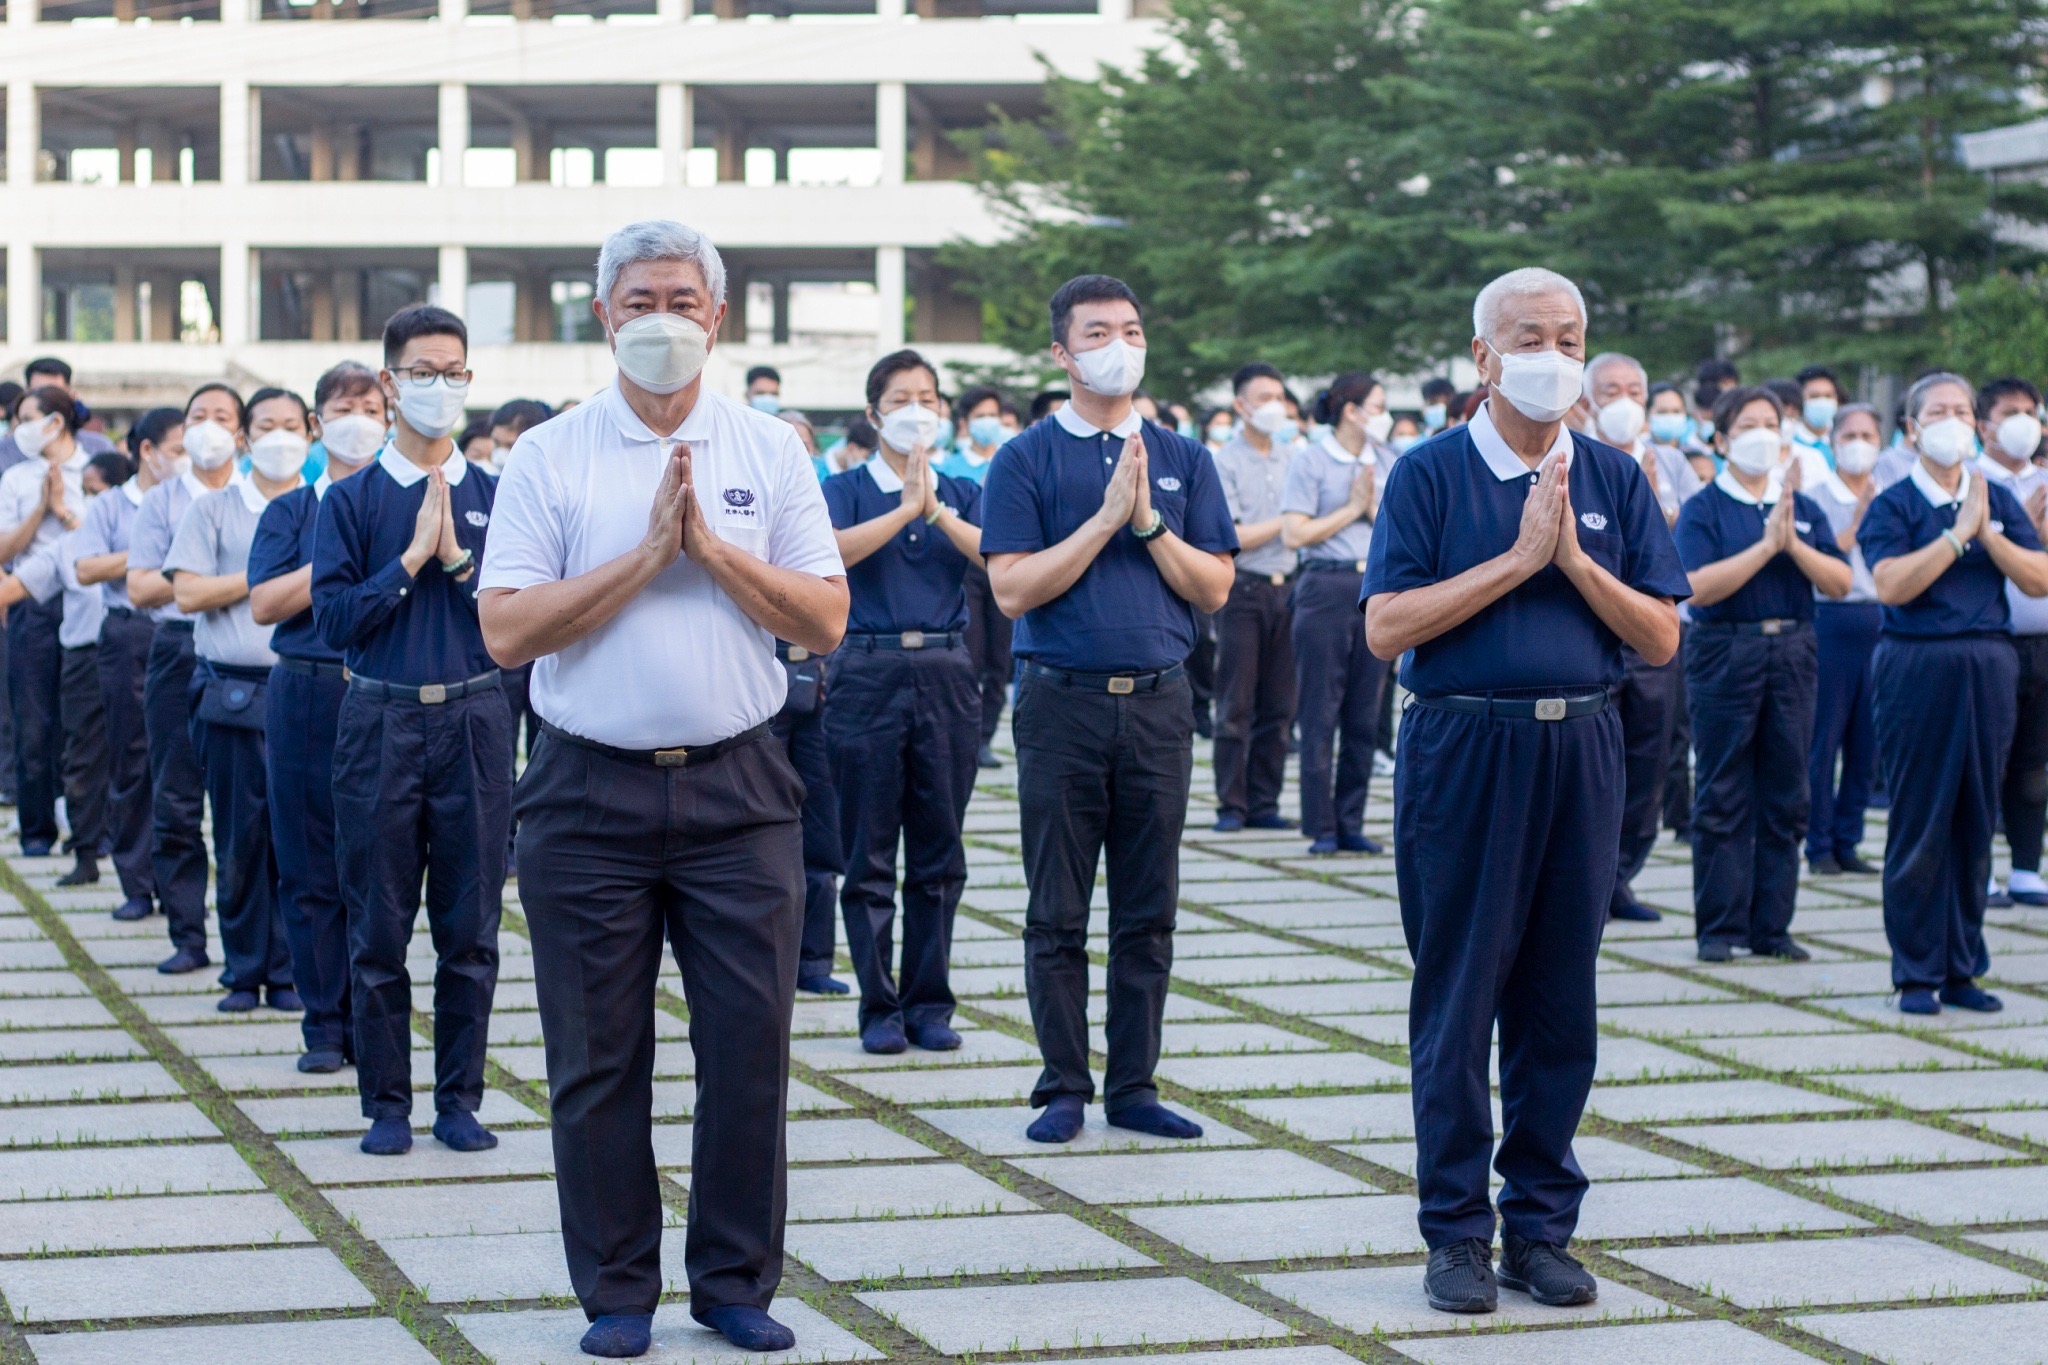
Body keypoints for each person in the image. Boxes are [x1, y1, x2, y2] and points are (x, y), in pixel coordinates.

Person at [478, 220, 847, 1359]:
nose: (663, 320)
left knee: (749, 1045)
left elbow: (824, 617)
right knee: (597, 1056)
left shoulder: (769, 449)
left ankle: (734, 1282)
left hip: (740, 791)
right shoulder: (550, 454)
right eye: (640, 299)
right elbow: (504, 630)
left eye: (684, 301)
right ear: (602, 313)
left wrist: (710, 553)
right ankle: (618, 1293)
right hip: (587, 798)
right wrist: (641, 560)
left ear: (717, 316)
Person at [1362, 267, 1689, 1315]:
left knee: (1559, 1002)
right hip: (1465, 747)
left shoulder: (1613, 475)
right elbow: (1385, 627)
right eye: (1529, 337)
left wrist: (1574, 565)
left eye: (1569, 335)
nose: (1552, 355)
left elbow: (1660, 635)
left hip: (1582, 747)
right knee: (1457, 999)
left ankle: (1539, 1226)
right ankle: (1454, 1232)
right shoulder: (1428, 474)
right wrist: (1512, 562)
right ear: (1483, 356)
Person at [981, 273, 1236, 1147]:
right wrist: (1100, 523)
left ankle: (1134, 1083)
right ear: (1062, 352)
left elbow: (1216, 584)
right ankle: (1063, 1084)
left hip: (1160, 704)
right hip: (1062, 706)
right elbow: (1011, 589)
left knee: (1148, 907)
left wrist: (1152, 526)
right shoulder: (1023, 458)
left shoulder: (1184, 456)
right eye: (1097, 332)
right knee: (1057, 905)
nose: (1117, 343)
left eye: (1130, 327)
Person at [312, 305, 509, 1159]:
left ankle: (459, 1098)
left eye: (454, 371)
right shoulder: (351, 498)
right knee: (379, 925)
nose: (440, 387)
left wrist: (458, 562)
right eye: (422, 372)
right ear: (389, 384)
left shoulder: (497, 495)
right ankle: (385, 1102)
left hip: (475, 716)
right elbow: (332, 621)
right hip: (380, 718)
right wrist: (406, 565)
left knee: (471, 928)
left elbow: (519, 619)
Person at [1861, 371, 2048, 1016]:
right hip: (1918, 664)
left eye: (1963, 412)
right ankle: (1915, 971)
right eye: (1936, 411)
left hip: (1990, 663)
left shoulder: (1994, 495)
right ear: (1911, 430)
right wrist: (1954, 537)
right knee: (1921, 816)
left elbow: (2039, 578)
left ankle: (1963, 966)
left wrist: (1986, 530)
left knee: (1976, 814)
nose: (1952, 421)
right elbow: (1891, 585)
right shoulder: (1893, 503)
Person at [823, 349, 984, 1055]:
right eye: (899, 398)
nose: (915, 409)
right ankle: (877, 1003)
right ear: (872, 413)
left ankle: (930, 1001)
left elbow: (997, 558)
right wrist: (903, 511)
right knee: (868, 849)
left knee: (941, 847)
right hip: (866, 670)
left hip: (947, 669)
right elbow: (828, 555)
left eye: (928, 397)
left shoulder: (965, 490)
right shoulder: (845, 488)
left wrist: (935, 509)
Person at [1675, 387, 1851, 962]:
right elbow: (1695, 586)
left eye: (1771, 423)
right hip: (1725, 650)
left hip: (1794, 650)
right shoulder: (1705, 507)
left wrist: (1792, 545)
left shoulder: (1801, 505)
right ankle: (1720, 927)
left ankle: (1772, 927)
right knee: (1723, 789)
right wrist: (1765, 548)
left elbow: (1840, 582)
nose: (1762, 434)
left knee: (1788, 790)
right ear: (1722, 441)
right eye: (1747, 425)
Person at [248, 361, 387, 1072]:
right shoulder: (292, 512)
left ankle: (373, 1022)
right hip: (305, 689)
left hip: (383, 692)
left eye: (369, 405)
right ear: (318, 423)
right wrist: (341, 555)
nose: (356, 417)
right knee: (305, 864)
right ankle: (323, 1023)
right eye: (342, 406)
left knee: (377, 869)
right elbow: (266, 604)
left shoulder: (412, 502)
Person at [164, 387, 306, 1013]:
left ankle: (297, 971)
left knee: (303, 840)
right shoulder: (217, 509)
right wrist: (269, 582)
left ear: (312, 434)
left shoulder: (328, 507)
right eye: (266, 426)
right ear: (246, 439)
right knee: (240, 835)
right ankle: (245, 969)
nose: (280, 437)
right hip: (233, 691)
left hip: (309, 691)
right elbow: (188, 594)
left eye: (292, 425)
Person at [1582, 353, 1702, 923]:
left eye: (1634, 388)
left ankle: (1621, 877)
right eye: (1611, 389)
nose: (1624, 400)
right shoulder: (1575, 457)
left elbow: (1683, 538)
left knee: (1649, 760)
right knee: (1591, 766)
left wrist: (1653, 504)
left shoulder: (1670, 461)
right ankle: (1582, 879)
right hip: (1591, 635)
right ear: (1587, 397)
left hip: (1651, 630)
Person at [128, 384, 242, 973]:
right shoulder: (163, 500)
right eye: (199, 416)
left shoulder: (261, 498)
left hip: (247, 657)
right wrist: (231, 581)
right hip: (176, 649)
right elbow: (141, 587)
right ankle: (187, 935)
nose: (209, 426)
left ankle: (252, 949)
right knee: (175, 797)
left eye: (222, 417)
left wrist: (199, 581)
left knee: (246, 808)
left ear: (241, 433)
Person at [1282, 371, 1394, 856]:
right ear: (1351, 410)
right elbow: (1295, 535)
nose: (1384, 416)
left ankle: (1351, 821)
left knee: (1365, 715)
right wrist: (1354, 509)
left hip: (1376, 587)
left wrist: (1371, 512)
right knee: (1320, 710)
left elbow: (1402, 523)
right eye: (1377, 405)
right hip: (1325, 584)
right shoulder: (1311, 460)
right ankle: (1321, 825)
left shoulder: (1391, 458)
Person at [5, 449, 125, 890]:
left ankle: (133, 852)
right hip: (83, 658)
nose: (89, 500)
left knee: (134, 757)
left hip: (133, 652)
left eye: (96, 491)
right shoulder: (67, 545)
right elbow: (15, 587)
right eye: (85, 492)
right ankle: (87, 849)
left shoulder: (145, 535)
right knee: (81, 756)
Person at [74, 411, 176, 920]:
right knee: (131, 756)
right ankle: (136, 881)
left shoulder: (198, 501)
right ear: (147, 451)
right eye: (176, 448)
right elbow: (87, 566)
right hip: (129, 631)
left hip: (183, 631)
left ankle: (179, 888)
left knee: (181, 767)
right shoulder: (113, 505)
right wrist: (146, 554)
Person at [1208, 363, 1299, 834]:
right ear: (1241, 405)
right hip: (1242, 589)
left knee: (1280, 705)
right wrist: (1289, 524)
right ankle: (1231, 804)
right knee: (1235, 703)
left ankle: (1265, 801)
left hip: (1291, 588)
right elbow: (1235, 535)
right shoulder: (1224, 461)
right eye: (1264, 398)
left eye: (1280, 397)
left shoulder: (1293, 458)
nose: (1275, 407)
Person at [0, 387, 90, 859]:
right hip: (30, 605)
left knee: (83, 724)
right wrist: (39, 508)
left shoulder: (94, 469)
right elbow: (4, 551)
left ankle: (88, 828)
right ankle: (36, 831)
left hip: (87, 603)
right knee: (33, 721)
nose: (20, 427)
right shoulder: (15, 477)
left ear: (56, 422)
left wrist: (62, 510)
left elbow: (107, 537)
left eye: (27, 417)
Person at [1972, 378, 2048, 907]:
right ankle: (1982, 869)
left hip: (2042, 640)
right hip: (1993, 641)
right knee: (1986, 760)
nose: (2023, 420)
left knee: (2035, 762)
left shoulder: (2045, 483)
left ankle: (2026, 865)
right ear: (1984, 424)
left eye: (2031, 411)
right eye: (2010, 411)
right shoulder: (1974, 485)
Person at [1803, 402, 1886, 877]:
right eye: (1850, 435)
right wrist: (1857, 520)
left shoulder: (1891, 493)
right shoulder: (1814, 496)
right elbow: (1822, 560)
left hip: (1879, 619)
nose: (1859, 444)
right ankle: (1818, 843)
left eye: (1868, 435)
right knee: (1824, 736)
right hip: (1829, 620)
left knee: (1867, 739)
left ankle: (1849, 838)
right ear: (1833, 442)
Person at [940, 386, 1018, 768]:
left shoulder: (1010, 461)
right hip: (967, 568)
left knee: (1000, 661)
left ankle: (985, 737)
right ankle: (965, 734)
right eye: (981, 416)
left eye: (995, 415)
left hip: (1007, 564)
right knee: (971, 656)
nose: (990, 423)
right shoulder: (950, 467)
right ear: (965, 424)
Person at [0, 359, 117, 473]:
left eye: (55, 393)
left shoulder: (99, 448)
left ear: (71, 396)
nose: (45, 401)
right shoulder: (5, 452)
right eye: (38, 392)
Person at [1791, 365, 1844, 454]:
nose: (1822, 402)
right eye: (1814, 396)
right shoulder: (1790, 441)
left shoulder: (1844, 439)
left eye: (1828, 396)